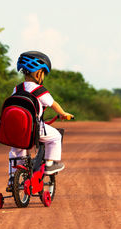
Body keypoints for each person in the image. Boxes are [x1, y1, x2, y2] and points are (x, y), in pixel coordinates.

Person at [7, 51, 73, 191]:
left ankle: (13, 179)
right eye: (43, 73)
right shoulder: (39, 90)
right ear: (38, 74)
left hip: (17, 130)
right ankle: (49, 164)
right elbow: (52, 103)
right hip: (34, 129)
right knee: (55, 136)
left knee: (16, 152)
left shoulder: (17, 88)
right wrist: (63, 113)